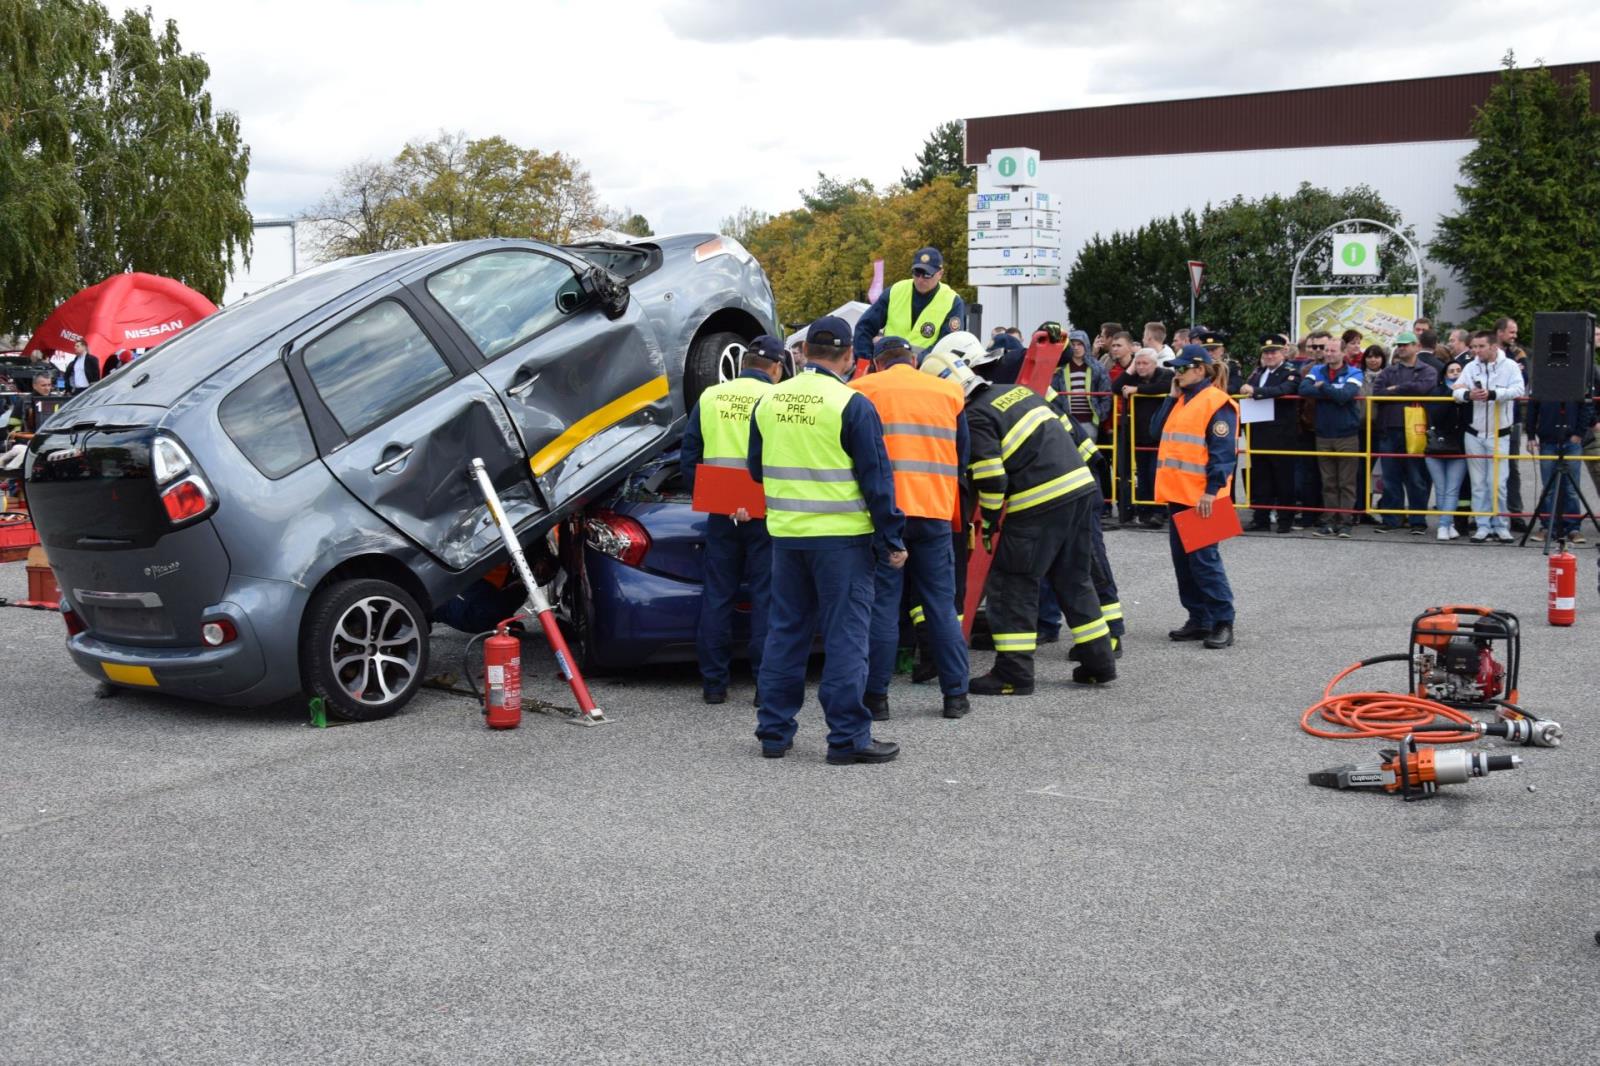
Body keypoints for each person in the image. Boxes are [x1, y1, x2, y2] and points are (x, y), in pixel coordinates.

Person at [748, 316, 905, 764]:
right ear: (849, 358)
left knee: (785, 633)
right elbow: (878, 481)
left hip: (786, 537)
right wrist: (892, 538)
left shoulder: (770, 401)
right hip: (842, 541)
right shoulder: (850, 404)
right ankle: (847, 738)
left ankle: (774, 734)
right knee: (846, 638)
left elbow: (756, 470)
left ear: (803, 353)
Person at [965, 367, 1112, 695]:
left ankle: (1012, 673)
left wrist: (988, 521)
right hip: (1079, 489)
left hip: (1039, 501)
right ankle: (1099, 662)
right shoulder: (1016, 392)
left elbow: (991, 477)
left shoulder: (974, 415)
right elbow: (1067, 428)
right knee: (1074, 578)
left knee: (1012, 582)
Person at [851, 334, 970, 721]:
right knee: (940, 605)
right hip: (934, 511)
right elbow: (963, 455)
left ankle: (877, 699)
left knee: (883, 606)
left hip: (885, 517)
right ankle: (955, 696)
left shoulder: (860, 389)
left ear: (877, 363)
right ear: (913, 360)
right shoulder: (949, 393)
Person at [681, 334, 786, 706]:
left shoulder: (710, 397)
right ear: (775, 368)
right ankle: (763, 686)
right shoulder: (775, 398)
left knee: (718, 597)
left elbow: (689, 459)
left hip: (722, 514)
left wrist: (722, 500)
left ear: (743, 366)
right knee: (766, 599)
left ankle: (713, 685)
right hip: (766, 513)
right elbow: (782, 459)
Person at [1153, 345, 1239, 649]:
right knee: (1184, 562)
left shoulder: (1217, 403)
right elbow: (1154, 431)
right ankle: (1199, 619)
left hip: (1204, 497)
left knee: (1205, 561)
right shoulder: (1184, 399)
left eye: (1182, 369)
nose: (1176, 373)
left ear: (1200, 369)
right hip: (1179, 493)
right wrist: (1170, 396)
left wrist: (1211, 491)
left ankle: (1222, 621)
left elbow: (1223, 453)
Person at [1452, 330, 1525, 543]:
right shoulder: (1470, 366)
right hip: (1473, 433)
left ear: (1493, 346)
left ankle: (1501, 525)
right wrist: (1468, 395)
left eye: (1480, 346)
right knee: (1478, 483)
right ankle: (1483, 525)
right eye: (1473, 346)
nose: (1475, 351)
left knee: (1498, 483)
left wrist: (1494, 394)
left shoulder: (1510, 366)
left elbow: (1519, 389)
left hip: (1499, 434)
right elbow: (1455, 390)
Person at [1299, 331, 1364, 537]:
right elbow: (1304, 389)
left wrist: (1324, 387)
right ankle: (1328, 520)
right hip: (1323, 433)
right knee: (1328, 481)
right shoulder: (1317, 369)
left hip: (1347, 434)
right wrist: (1330, 391)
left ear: (1343, 353)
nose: (1328, 354)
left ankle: (1345, 522)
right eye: (1326, 350)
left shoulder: (1355, 372)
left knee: (1346, 481)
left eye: (1333, 350)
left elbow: (1346, 395)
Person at [1371, 336, 1438, 534]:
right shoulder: (1388, 371)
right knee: (1390, 478)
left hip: (1415, 431)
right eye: (1399, 345)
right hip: (1389, 429)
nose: (1401, 348)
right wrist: (1402, 390)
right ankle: (1392, 519)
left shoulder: (1427, 370)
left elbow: (1424, 387)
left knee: (1416, 478)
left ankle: (1417, 521)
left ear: (1416, 347)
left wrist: (1395, 389)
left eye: (1405, 345)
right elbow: (1377, 393)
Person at [851, 247, 965, 359]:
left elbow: (949, 343)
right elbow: (864, 326)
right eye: (917, 273)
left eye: (927, 274)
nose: (920, 279)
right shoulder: (895, 291)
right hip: (889, 365)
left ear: (940, 273)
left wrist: (917, 360)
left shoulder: (952, 301)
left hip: (926, 370)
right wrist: (866, 360)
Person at [1238, 335, 1301, 533]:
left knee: (1283, 479)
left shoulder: (1290, 371)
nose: (1269, 355)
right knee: (1260, 478)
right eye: (1266, 352)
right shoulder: (1258, 372)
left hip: (1281, 434)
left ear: (1283, 352)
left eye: (1273, 351)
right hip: (1259, 431)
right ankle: (1261, 518)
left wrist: (1256, 391)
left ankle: (1285, 520)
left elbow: (1285, 389)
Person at [1525, 388, 1595, 544]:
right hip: (1547, 440)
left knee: (1571, 488)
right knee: (1548, 487)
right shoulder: (1542, 379)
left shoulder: (1577, 377)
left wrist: (1579, 433)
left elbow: (1587, 406)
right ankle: (1547, 527)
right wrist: (1530, 435)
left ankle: (1573, 528)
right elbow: (1532, 408)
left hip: (1571, 440)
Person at [1118, 349, 1173, 526]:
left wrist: (1138, 389)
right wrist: (1130, 369)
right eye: (1138, 363)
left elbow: (1165, 387)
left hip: (1159, 436)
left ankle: (1159, 511)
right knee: (1142, 475)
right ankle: (1144, 510)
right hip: (1139, 435)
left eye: (1144, 363)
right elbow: (1115, 387)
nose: (1141, 367)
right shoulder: (1134, 377)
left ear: (1154, 363)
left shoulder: (1165, 374)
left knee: (1154, 474)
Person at [1424, 361, 1470, 541]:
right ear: (1444, 375)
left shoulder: (1469, 394)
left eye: (1459, 371)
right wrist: (1454, 394)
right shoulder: (1436, 392)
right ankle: (1447, 524)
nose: (1455, 374)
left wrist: (1464, 394)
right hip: (1436, 446)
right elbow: (1437, 414)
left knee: (1452, 489)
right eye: (1451, 371)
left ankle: (1445, 525)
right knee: (1441, 488)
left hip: (1459, 447)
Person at [1494, 316, 1530, 531]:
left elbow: (1522, 382)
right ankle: (1485, 513)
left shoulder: (1518, 354)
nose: (1514, 336)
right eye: (1511, 332)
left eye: (1515, 332)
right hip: (1486, 419)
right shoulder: (1485, 350)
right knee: (1486, 466)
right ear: (1499, 332)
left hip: (1512, 418)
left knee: (1511, 466)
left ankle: (1515, 513)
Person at [0, 373, 57, 470]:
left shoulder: (57, 401)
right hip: (27, 440)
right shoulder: (23, 401)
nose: (47, 388)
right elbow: (14, 424)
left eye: (49, 385)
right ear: (34, 386)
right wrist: (20, 439)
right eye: (43, 385)